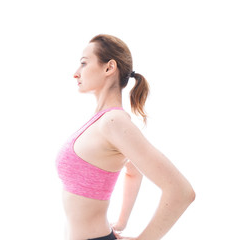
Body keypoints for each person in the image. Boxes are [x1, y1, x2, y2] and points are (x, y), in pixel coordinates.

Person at [55, 34, 195, 240]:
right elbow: (133, 170)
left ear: (109, 67)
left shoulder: (114, 122)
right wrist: (122, 222)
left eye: (84, 64)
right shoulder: (100, 121)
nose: (76, 73)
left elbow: (182, 192)